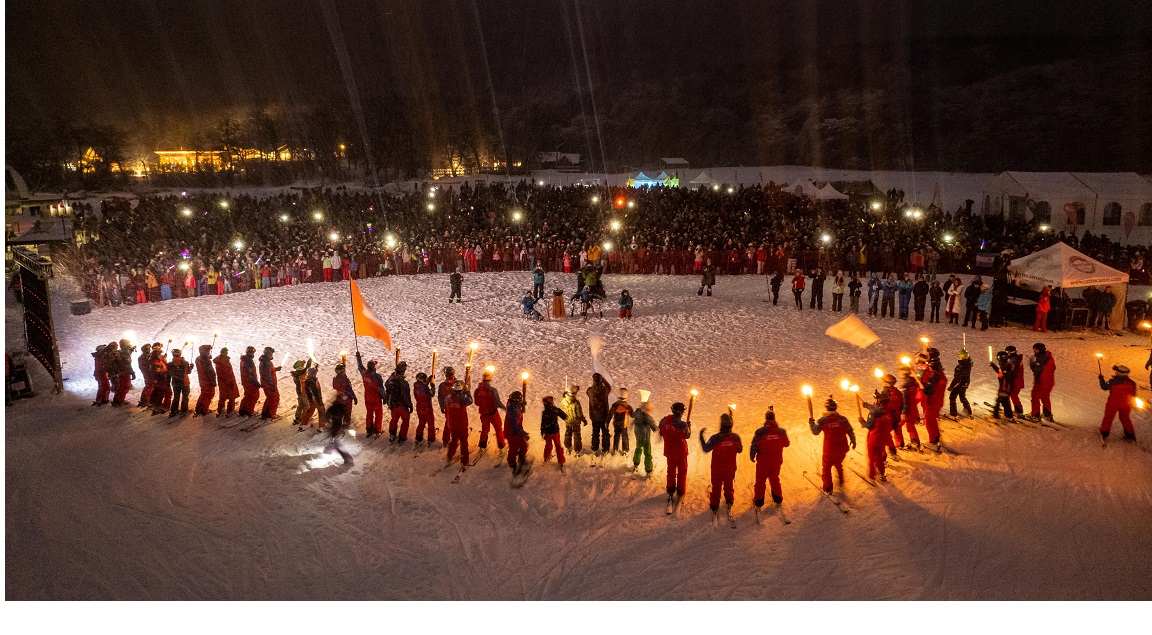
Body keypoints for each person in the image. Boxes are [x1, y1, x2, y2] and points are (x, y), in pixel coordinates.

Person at [699, 413, 743, 517]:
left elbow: (706, 449)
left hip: (717, 469)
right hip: (730, 468)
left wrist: (701, 437)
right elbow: (740, 450)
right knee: (729, 485)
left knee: (716, 488)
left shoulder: (715, 438)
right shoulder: (735, 437)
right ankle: (729, 500)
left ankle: (714, 505)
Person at [809, 396, 856, 493]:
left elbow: (815, 431)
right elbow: (850, 430)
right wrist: (853, 440)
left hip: (829, 450)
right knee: (838, 462)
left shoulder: (824, 420)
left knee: (826, 468)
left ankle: (828, 487)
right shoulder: (843, 419)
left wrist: (811, 423)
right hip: (842, 449)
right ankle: (841, 478)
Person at [749, 408, 790, 508]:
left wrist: (752, 455)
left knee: (760, 481)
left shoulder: (760, 432)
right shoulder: (781, 431)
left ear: (766, 419)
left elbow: (755, 445)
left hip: (763, 461)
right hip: (776, 461)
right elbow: (787, 443)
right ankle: (778, 498)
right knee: (774, 478)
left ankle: (759, 501)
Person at [659, 402, 692, 505]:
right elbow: (687, 436)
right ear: (682, 412)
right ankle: (681, 490)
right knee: (682, 472)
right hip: (681, 452)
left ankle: (670, 489)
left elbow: (661, 430)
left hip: (670, 451)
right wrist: (688, 426)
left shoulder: (664, 421)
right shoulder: (683, 425)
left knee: (671, 471)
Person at [859, 391, 893, 482]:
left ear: (878, 401)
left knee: (872, 456)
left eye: (875, 399)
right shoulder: (887, 409)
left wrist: (862, 421)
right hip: (883, 437)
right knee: (879, 456)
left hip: (874, 438)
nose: (874, 401)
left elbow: (869, 426)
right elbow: (874, 408)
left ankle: (871, 475)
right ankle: (882, 473)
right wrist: (866, 405)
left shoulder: (873, 413)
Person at [1099, 365, 1137, 442]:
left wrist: (1101, 379)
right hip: (1126, 404)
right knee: (1125, 418)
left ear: (1120, 373)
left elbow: (1104, 387)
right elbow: (1133, 394)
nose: (1115, 372)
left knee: (1108, 418)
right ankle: (1130, 435)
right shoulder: (1132, 383)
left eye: (1117, 371)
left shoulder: (1114, 381)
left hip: (1113, 403)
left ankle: (1104, 433)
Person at [473, 368, 506, 451]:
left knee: (485, 430)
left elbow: (476, 403)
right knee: (498, 428)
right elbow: (498, 402)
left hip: (483, 415)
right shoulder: (493, 390)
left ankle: (482, 444)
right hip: (493, 413)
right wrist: (505, 409)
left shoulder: (477, 390)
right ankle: (501, 444)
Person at [921, 348, 947, 449]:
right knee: (931, 421)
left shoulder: (936, 378)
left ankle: (933, 442)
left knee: (929, 422)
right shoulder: (935, 372)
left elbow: (930, 390)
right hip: (934, 402)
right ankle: (936, 436)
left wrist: (926, 389)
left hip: (932, 403)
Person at [355, 353, 385, 437]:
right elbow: (380, 388)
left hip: (367, 398)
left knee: (369, 413)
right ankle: (377, 430)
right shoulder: (377, 377)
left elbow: (360, 367)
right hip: (376, 398)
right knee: (378, 414)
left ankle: (369, 428)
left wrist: (358, 358)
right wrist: (384, 397)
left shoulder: (364, 374)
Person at [444, 380, 474, 465]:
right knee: (464, 442)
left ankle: (450, 456)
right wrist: (467, 391)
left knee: (454, 440)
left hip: (452, 424)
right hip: (462, 424)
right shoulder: (463, 399)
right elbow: (470, 400)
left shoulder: (448, 398)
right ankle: (464, 460)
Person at [385, 361, 414, 443]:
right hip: (402, 406)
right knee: (405, 420)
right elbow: (406, 396)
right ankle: (402, 437)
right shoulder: (404, 383)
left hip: (393, 404)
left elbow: (386, 385)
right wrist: (410, 405)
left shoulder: (391, 379)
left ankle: (392, 434)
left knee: (394, 419)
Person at [631, 398, 658, 476]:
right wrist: (659, 431)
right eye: (649, 410)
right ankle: (649, 470)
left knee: (638, 449)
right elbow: (653, 427)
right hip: (645, 438)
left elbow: (632, 416)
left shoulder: (637, 413)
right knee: (647, 453)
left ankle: (636, 464)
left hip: (638, 436)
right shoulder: (646, 417)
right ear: (647, 409)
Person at [1028, 343, 1056, 421]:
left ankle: (1035, 415)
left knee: (1035, 398)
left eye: (1036, 349)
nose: (1034, 350)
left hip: (1041, 382)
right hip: (1049, 382)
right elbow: (1054, 368)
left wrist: (1032, 362)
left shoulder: (1041, 358)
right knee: (1045, 397)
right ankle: (1047, 414)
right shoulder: (1049, 356)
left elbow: (1036, 370)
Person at [540, 395, 568, 468]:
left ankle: (546, 458)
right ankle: (561, 460)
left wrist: (542, 431)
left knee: (548, 446)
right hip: (555, 431)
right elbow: (564, 416)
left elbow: (543, 423)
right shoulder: (555, 409)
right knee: (558, 446)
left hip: (548, 431)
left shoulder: (545, 412)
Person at [587, 373, 612, 455]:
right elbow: (609, 387)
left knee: (595, 433)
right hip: (604, 416)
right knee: (605, 433)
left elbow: (587, 392)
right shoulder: (605, 390)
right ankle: (605, 449)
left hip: (594, 416)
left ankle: (594, 448)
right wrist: (603, 379)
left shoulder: (590, 391)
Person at [322, 400, 354, 466]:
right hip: (338, 428)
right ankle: (328, 451)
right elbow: (347, 416)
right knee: (335, 441)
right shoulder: (342, 408)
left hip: (334, 428)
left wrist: (328, 421)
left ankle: (348, 459)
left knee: (337, 443)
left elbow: (326, 417)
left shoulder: (333, 408)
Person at [504, 391, 529, 473]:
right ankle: (511, 461)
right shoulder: (513, 411)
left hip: (517, 431)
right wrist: (523, 433)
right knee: (513, 448)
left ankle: (521, 457)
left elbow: (518, 408)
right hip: (512, 432)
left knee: (523, 445)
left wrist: (522, 405)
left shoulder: (513, 406)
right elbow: (515, 426)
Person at [988, 351, 1016, 421]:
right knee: (1004, 401)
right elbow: (1000, 372)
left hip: (1005, 386)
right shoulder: (1004, 365)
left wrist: (1005, 386)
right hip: (1004, 386)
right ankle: (1008, 415)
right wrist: (993, 366)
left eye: (998, 357)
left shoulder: (1006, 366)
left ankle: (997, 414)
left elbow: (1006, 375)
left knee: (1001, 400)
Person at [560, 384, 588, 454]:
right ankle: (577, 450)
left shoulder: (563, 401)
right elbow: (579, 413)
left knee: (568, 434)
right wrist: (583, 420)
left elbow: (562, 409)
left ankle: (568, 447)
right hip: (576, 421)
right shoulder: (576, 403)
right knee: (577, 435)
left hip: (568, 420)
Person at [214, 347, 239, 417]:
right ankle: (230, 411)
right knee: (231, 396)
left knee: (223, 396)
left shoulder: (221, 360)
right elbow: (225, 373)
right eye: (224, 352)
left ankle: (221, 410)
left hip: (224, 382)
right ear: (221, 352)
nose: (226, 353)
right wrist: (230, 381)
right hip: (227, 382)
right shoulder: (222, 361)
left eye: (226, 352)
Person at [168, 348, 194, 417]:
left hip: (175, 383)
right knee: (185, 397)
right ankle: (184, 410)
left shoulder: (170, 364)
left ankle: (173, 410)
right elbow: (188, 372)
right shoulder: (185, 363)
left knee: (176, 397)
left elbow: (169, 373)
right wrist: (191, 367)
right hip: (184, 382)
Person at [413, 371, 437, 445]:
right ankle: (431, 438)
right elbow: (431, 394)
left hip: (419, 407)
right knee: (430, 423)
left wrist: (428, 381)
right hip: (427, 407)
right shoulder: (424, 389)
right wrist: (432, 386)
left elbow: (424, 385)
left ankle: (418, 436)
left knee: (421, 422)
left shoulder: (417, 385)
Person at [948, 348, 973, 418]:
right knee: (962, 396)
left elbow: (957, 378)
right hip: (965, 383)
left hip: (961, 383)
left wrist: (952, 386)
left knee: (952, 396)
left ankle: (953, 414)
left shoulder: (961, 367)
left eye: (960, 357)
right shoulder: (968, 364)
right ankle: (968, 411)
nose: (959, 358)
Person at [609, 388, 634, 455]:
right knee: (624, 436)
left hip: (616, 424)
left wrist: (607, 421)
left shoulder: (615, 406)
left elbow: (610, 414)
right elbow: (632, 415)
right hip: (624, 424)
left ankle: (615, 449)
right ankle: (625, 449)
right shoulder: (628, 407)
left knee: (616, 436)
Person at [332, 363, 357, 429]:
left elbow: (334, 387)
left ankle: (338, 425)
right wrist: (354, 397)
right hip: (347, 399)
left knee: (340, 412)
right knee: (347, 413)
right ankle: (345, 425)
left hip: (339, 397)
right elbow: (349, 390)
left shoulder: (335, 379)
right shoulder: (345, 380)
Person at [258, 346, 281, 419]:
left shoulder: (265, 361)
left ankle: (265, 413)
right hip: (269, 384)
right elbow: (267, 374)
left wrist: (275, 369)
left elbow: (268, 371)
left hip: (266, 383)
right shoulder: (266, 362)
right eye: (270, 353)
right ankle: (271, 414)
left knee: (270, 398)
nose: (271, 355)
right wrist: (272, 384)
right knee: (274, 398)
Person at [437, 367, 458, 446]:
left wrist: (442, 407)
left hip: (449, 407)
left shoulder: (443, 385)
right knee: (456, 424)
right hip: (455, 407)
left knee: (449, 423)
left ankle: (446, 440)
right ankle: (453, 439)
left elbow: (440, 397)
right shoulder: (457, 384)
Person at [112, 339, 136, 406]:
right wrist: (132, 373)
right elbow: (127, 364)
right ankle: (120, 401)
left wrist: (131, 350)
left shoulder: (120, 351)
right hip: (125, 372)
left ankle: (116, 401)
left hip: (120, 371)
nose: (129, 345)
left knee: (121, 386)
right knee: (125, 386)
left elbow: (124, 359)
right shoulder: (125, 353)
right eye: (128, 343)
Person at [194, 344, 216, 415]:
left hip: (202, 380)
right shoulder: (206, 361)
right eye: (208, 350)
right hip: (208, 380)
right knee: (209, 394)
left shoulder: (198, 358)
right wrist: (213, 380)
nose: (209, 351)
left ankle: (198, 408)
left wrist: (207, 357)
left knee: (204, 393)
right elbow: (209, 371)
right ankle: (204, 410)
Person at [238, 346, 260, 417]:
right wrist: (256, 382)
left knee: (247, 395)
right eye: (251, 352)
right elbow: (250, 373)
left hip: (245, 381)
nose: (252, 354)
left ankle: (242, 409)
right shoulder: (248, 361)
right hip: (250, 382)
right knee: (254, 396)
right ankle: (249, 411)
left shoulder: (244, 360)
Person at [150, 347, 172, 415]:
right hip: (161, 380)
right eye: (159, 354)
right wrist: (167, 373)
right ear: (156, 356)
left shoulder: (159, 361)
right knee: (166, 393)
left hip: (161, 380)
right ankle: (164, 406)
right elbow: (159, 373)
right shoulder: (156, 364)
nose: (161, 356)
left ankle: (158, 405)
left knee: (160, 393)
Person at [289, 359, 312, 424]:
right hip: (303, 392)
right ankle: (304, 418)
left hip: (299, 393)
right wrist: (309, 361)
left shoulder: (296, 374)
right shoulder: (301, 375)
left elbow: (303, 368)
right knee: (306, 406)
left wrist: (304, 363)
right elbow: (306, 369)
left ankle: (297, 417)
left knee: (300, 405)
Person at [1005, 345, 1025, 416]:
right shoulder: (1016, 359)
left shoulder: (1014, 360)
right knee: (1013, 395)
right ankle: (1018, 410)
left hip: (1015, 380)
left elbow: (1009, 369)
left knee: (1012, 394)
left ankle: (1018, 410)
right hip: (1017, 380)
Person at [137, 343, 158, 408]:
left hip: (146, 373)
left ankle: (144, 400)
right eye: (147, 349)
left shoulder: (143, 356)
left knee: (148, 386)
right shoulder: (146, 357)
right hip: (149, 373)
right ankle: (146, 401)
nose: (149, 350)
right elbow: (149, 365)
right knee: (150, 386)